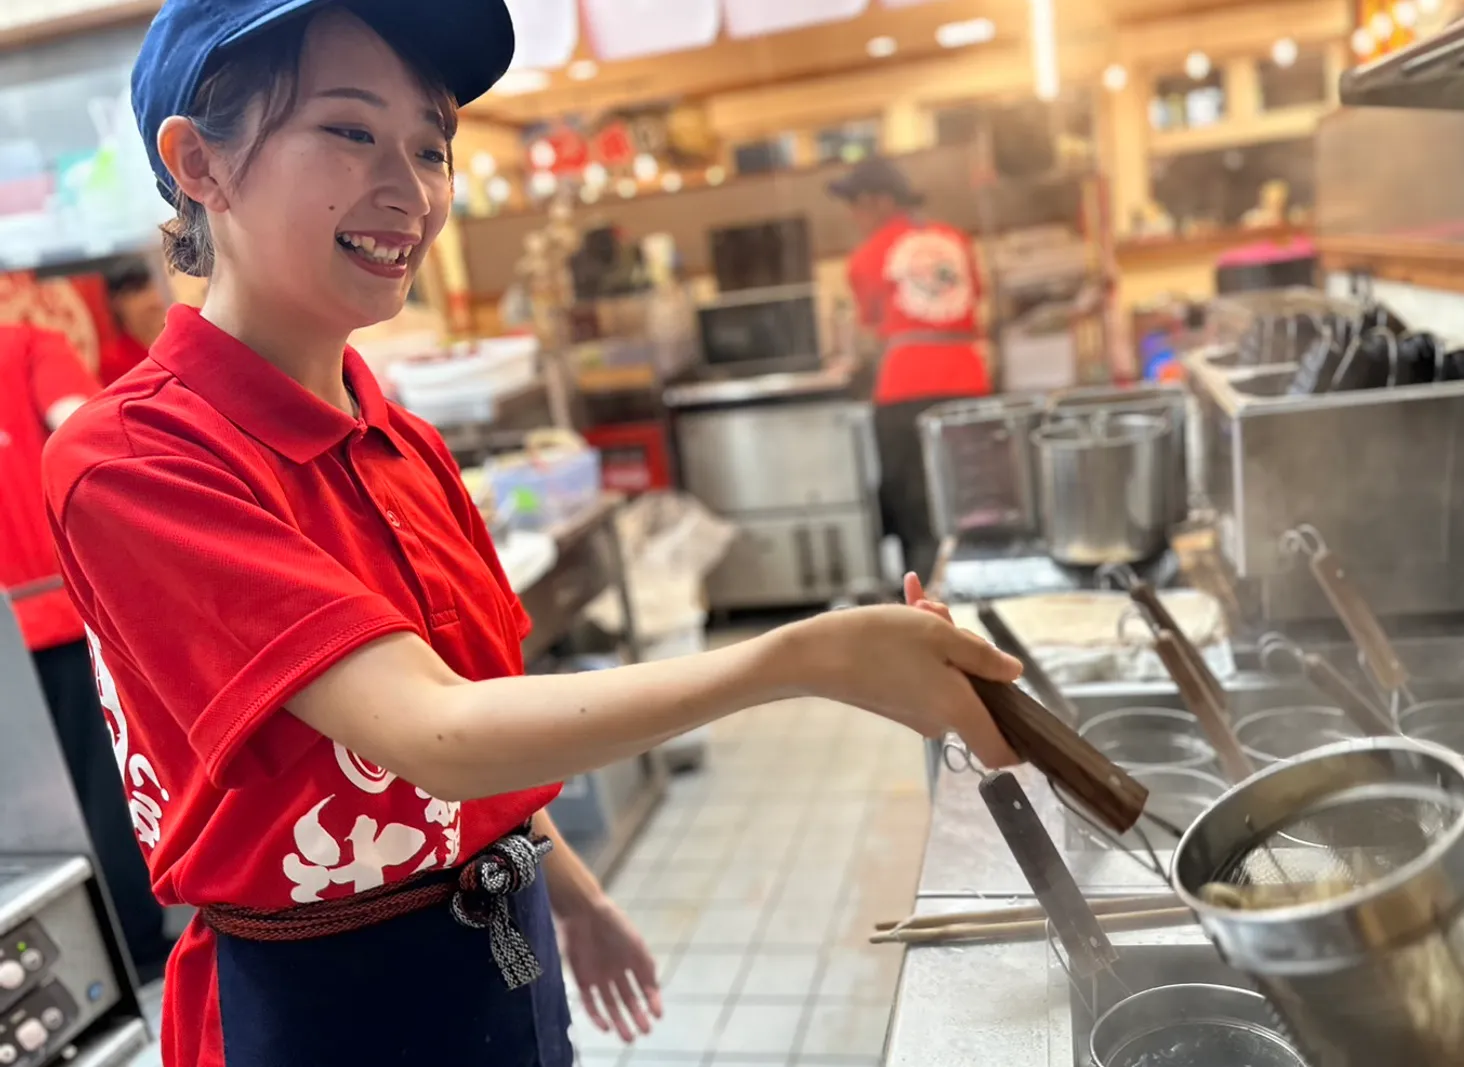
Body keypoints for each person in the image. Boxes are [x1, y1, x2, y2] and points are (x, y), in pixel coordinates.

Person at [41, 4, 1023, 1066]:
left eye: (430, 144)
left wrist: (576, 892)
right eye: (350, 130)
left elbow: (480, 713)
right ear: (199, 163)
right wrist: (800, 656)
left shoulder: (398, 438)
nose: (411, 188)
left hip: (500, 935)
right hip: (326, 1001)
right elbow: (432, 729)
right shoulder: (133, 458)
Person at [0, 322, 175, 985]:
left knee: (29, 811)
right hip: (57, 610)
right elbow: (85, 430)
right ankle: (130, 943)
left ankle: (68, 967)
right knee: (103, 783)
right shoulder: (25, 344)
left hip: (22, 625)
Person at [829, 157, 993, 582]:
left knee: (914, 512)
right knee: (972, 500)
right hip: (970, 385)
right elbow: (974, 301)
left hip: (905, 391)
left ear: (881, 202)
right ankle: (977, 589)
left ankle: (920, 604)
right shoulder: (956, 239)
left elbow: (869, 331)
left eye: (857, 205)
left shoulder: (866, 257)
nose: (853, 216)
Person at [97, 256, 170, 385]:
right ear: (117, 302)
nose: (153, 299)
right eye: (139, 291)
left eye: (153, 287)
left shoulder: (180, 343)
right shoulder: (112, 362)